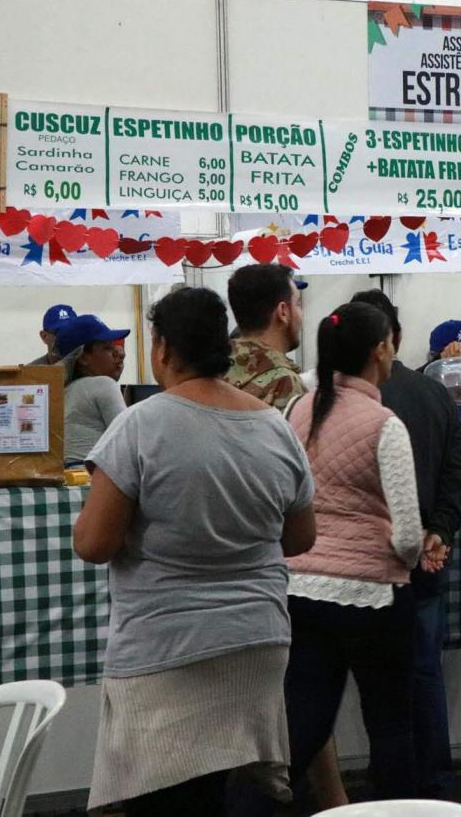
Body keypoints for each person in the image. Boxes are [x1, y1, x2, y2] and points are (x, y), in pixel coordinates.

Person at [75, 286, 316, 817]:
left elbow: (93, 544)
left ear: (161, 349)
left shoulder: (140, 425)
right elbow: (300, 538)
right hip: (257, 638)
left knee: (167, 802)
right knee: (234, 797)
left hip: (168, 649)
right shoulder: (274, 427)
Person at [261, 301, 425, 809]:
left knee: (304, 720)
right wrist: (413, 553)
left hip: (300, 588)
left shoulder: (295, 411)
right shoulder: (384, 423)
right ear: (380, 350)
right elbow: (407, 536)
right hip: (372, 595)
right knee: (391, 723)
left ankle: (261, 804)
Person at [350, 288, 461, 798]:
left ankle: (387, 791)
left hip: (361, 567)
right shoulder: (432, 393)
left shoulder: (336, 403)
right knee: (424, 674)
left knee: (368, 683)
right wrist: (437, 532)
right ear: (394, 338)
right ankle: (437, 785)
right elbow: (457, 474)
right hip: (424, 561)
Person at [225, 264, 306, 412]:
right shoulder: (284, 383)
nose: (301, 314)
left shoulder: (214, 367)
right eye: (298, 304)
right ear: (283, 312)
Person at [55, 314, 129, 467]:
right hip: (95, 478)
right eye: (107, 348)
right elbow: (130, 441)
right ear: (83, 358)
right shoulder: (103, 384)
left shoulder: (62, 392)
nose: (119, 354)